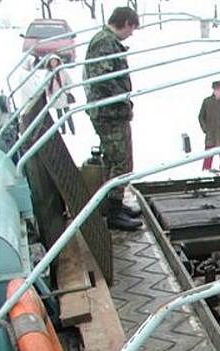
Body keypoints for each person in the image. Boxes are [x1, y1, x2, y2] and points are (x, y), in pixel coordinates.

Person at [83, 6, 142, 232]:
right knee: (120, 161)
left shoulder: (106, 41)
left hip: (113, 113)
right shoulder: (104, 42)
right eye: (132, 28)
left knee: (116, 159)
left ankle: (115, 204)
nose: (131, 33)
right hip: (110, 114)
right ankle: (115, 213)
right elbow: (103, 78)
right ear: (125, 23)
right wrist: (123, 98)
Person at [45, 57, 75, 135]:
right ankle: (63, 130)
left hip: (63, 96)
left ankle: (72, 130)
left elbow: (70, 82)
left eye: (54, 61)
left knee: (68, 113)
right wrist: (49, 95)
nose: (53, 63)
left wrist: (66, 91)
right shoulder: (48, 74)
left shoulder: (62, 71)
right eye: (52, 62)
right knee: (59, 115)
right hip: (55, 96)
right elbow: (46, 86)